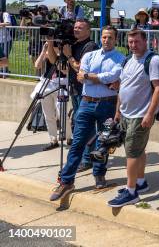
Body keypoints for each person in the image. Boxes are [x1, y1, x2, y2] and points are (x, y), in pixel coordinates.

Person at [50, 26, 124, 201]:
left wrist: (92, 77)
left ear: (116, 40)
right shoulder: (89, 56)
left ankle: (99, 175)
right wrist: (98, 77)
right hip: (86, 103)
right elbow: (81, 76)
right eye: (104, 37)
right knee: (78, 142)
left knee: (103, 143)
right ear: (101, 38)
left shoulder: (120, 58)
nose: (106, 40)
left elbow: (113, 76)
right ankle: (67, 181)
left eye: (110, 38)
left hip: (108, 105)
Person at [107, 29, 159, 207]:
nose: (133, 45)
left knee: (131, 152)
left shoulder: (153, 60)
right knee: (138, 150)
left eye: (137, 42)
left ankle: (131, 191)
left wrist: (149, 113)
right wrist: (118, 111)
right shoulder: (127, 60)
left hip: (140, 115)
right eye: (130, 42)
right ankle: (140, 182)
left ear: (145, 42)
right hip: (125, 113)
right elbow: (122, 87)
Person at [47, 19, 98, 164]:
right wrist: (50, 43)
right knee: (79, 123)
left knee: (85, 124)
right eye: (75, 27)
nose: (76, 30)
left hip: (86, 92)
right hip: (75, 90)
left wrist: (69, 56)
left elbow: (81, 69)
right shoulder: (72, 44)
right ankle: (86, 155)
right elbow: (55, 63)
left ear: (88, 31)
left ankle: (88, 158)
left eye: (80, 28)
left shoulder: (90, 46)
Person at [33, 40, 72, 150]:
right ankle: (53, 139)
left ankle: (69, 137)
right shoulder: (47, 53)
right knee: (48, 114)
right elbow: (37, 65)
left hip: (62, 84)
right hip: (47, 84)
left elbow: (64, 71)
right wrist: (43, 51)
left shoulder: (65, 55)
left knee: (62, 113)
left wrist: (58, 56)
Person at [0, 9, 13, 75]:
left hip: (5, 40)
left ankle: (4, 72)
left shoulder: (5, 14)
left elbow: (8, 23)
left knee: (4, 57)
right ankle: (3, 72)